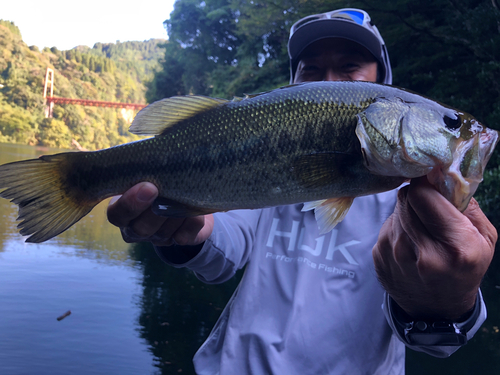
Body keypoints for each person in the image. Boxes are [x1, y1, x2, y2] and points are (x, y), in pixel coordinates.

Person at [107, 8, 497, 374]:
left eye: (349, 68)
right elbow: (220, 249)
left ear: (383, 85)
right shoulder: (270, 164)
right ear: (291, 86)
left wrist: (445, 304)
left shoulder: (418, 204)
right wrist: (181, 230)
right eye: (311, 70)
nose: (330, 82)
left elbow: (438, 344)